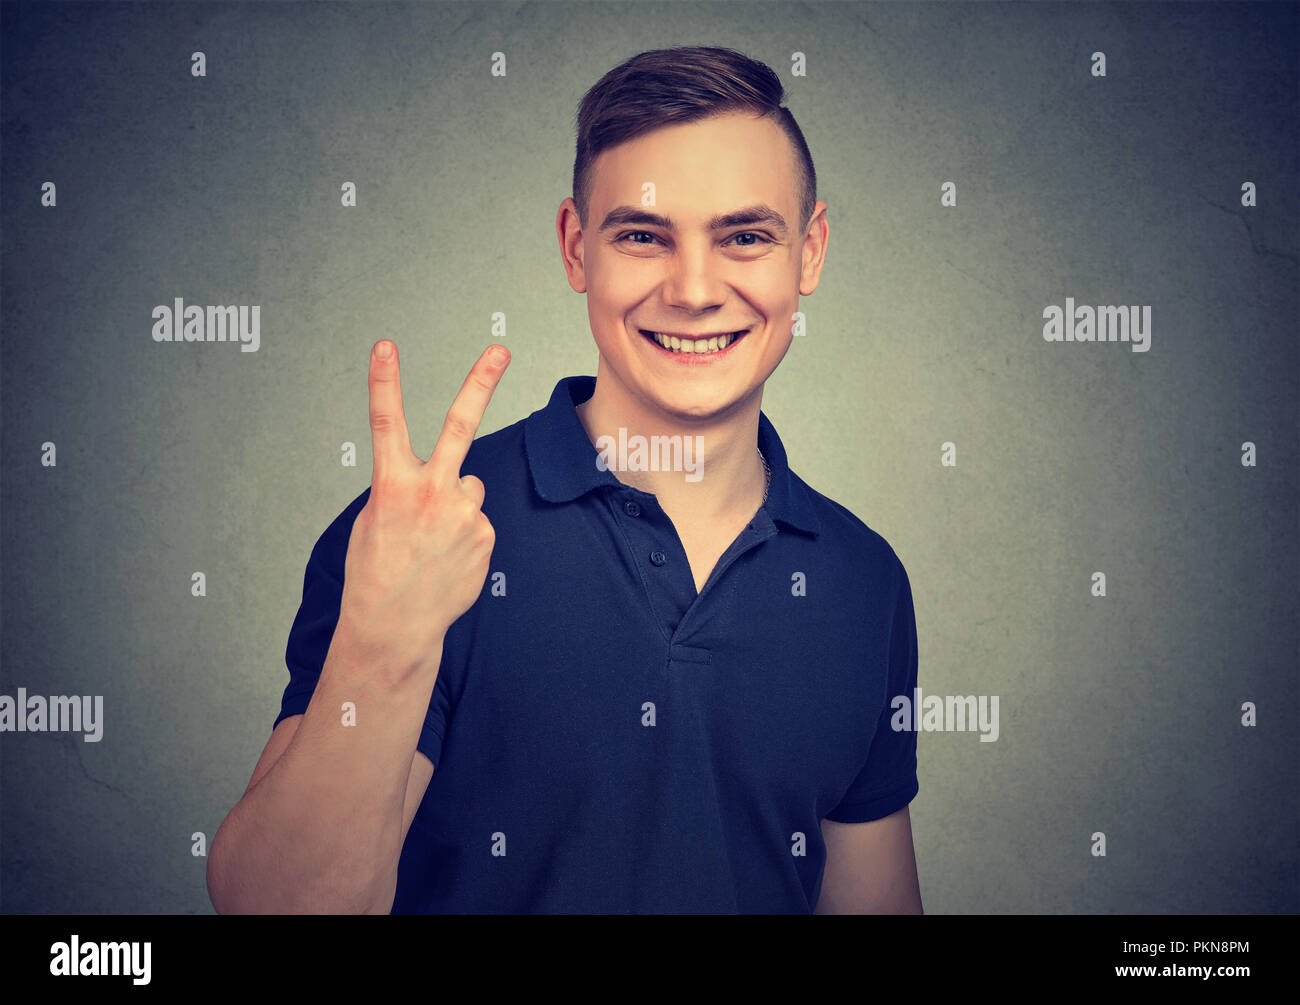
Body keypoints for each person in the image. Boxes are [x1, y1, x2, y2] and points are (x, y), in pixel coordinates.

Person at [207, 45, 922, 914]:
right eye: (642, 236)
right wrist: (383, 641)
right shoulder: (428, 535)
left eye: (743, 236)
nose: (695, 289)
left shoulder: (863, 580)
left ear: (807, 253)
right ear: (577, 248)